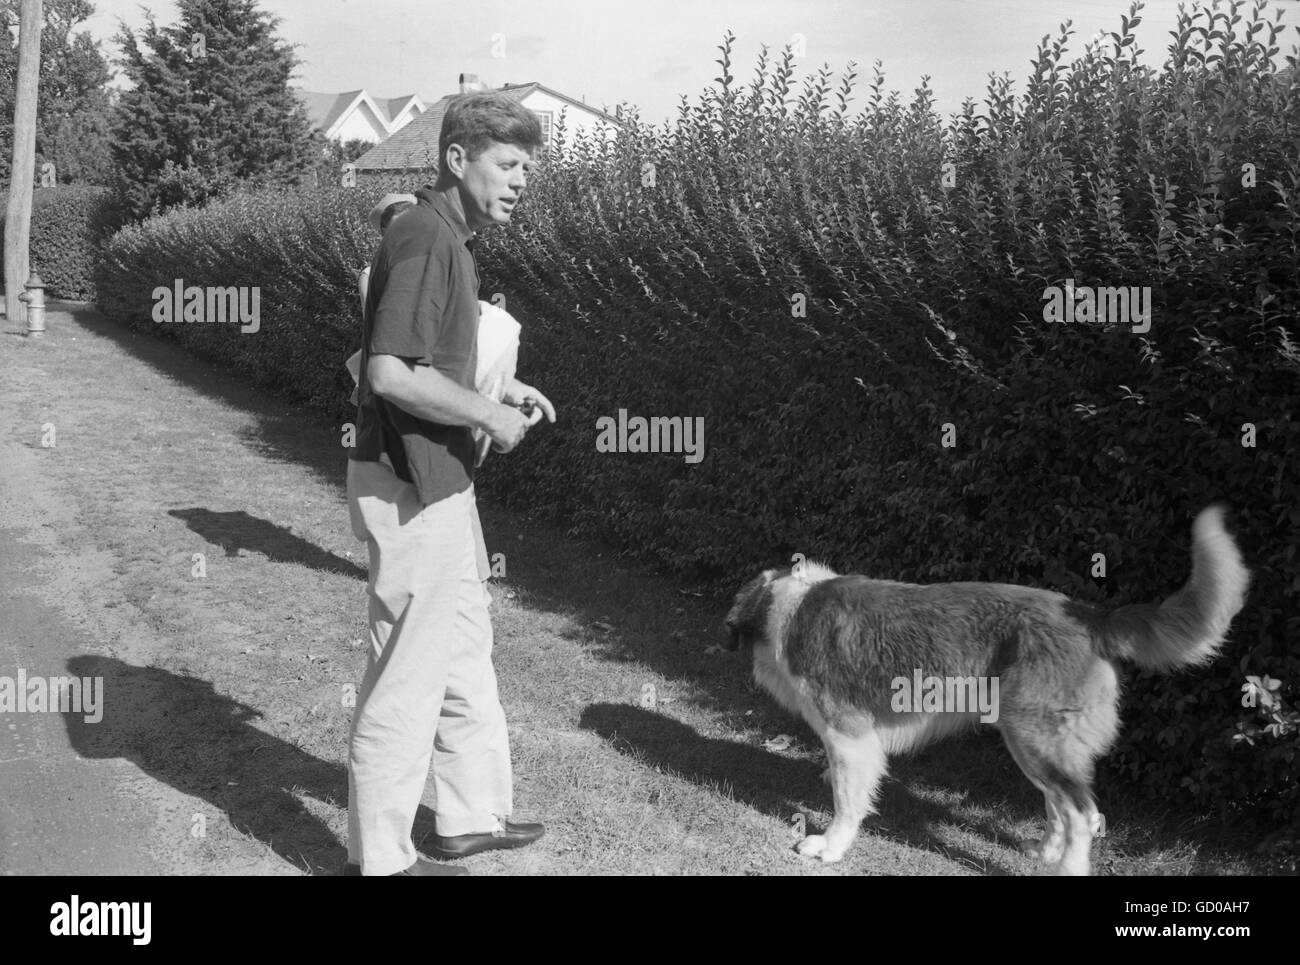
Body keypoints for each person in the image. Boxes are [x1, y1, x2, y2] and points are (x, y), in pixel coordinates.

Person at [344, 91, 555, 876]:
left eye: (529, 166)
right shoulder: (429, 236)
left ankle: (468, 817)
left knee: (464, 649)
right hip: (411, 484)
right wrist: (491, 420)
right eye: (509, 163)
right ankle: (383, 860)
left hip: (439, 479)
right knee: (408, 675)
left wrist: (499, 393)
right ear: (457, 160)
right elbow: (389, 372)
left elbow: (424, 360)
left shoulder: (444, 237)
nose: (522, 180)